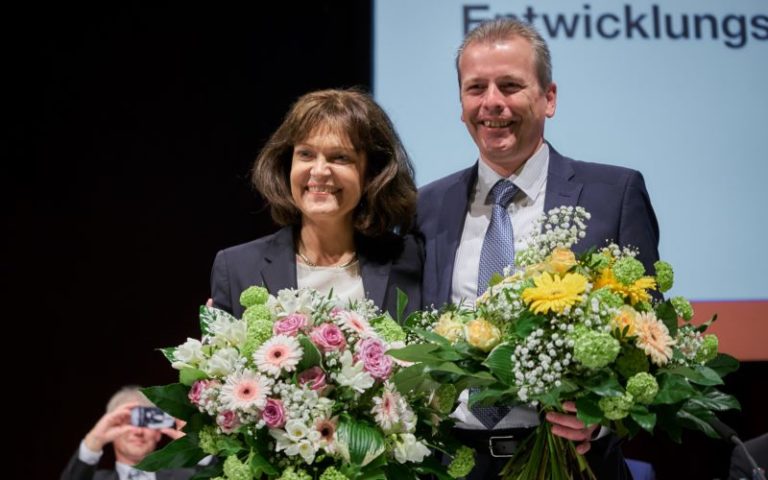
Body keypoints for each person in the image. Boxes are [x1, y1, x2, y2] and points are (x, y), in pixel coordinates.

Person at [417, 18, 659, 479]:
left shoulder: (615, 193)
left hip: (575, 462)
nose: (492, 103)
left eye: (510, 85)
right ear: (461, 103)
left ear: (549, 98)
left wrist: (603, 418)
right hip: (455, 464)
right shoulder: (424, 207)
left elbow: (650, 334)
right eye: (476, 88)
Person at [211, 88, 422, 319]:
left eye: (340, 157)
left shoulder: (411, 260)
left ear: (372, 172)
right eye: (306, 154)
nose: (319, 171)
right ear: (287, 164)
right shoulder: (237, 268)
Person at [60, 386, 195, 480]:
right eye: (129, 422)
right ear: (110, 429)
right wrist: (94, 441)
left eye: (146, 422)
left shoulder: (186, 477)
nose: (138, 431)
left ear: (158, 432)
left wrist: (194, 448)